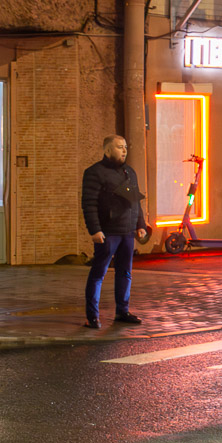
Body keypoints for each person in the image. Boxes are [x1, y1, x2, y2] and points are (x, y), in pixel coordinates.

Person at [81, 135, 149, 329]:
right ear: (107, 150)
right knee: (98, 273)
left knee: (125, 273)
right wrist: (95, 230)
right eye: (120, 147)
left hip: (127, 232)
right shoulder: (95, 173)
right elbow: (89, 204)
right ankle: (92, 316)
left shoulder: (130, 172)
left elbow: (135, 200)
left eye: (126, 147)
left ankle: (122, 311)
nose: (124, 151)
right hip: (108, 232)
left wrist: (140, 224)